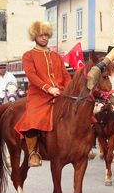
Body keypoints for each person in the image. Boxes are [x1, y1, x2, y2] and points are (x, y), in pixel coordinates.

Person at [14, 21, 72, 167]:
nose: (44, 38)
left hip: (61, 93)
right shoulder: (28, 55)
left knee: (83, 112)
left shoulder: (57, 56)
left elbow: (65, 75)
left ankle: (82, 146)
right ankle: (33, 153)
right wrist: (48, 88)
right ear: (35, 36)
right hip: (38, 95)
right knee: (32, 118)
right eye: (41, 35)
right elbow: (31, 76)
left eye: (46, 35)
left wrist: (69, 89)